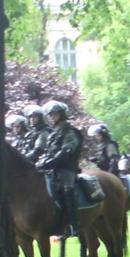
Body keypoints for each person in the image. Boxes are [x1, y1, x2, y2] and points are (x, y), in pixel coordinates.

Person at [36, 100, 83, 238]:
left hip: (66, 169)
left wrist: (47, 163)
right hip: (51, 169)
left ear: (62, 114)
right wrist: (41, 163)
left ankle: (73, 225)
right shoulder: (53, 133)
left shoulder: (70, 132)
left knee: (66, 189)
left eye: (54, 114)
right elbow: (48, 152)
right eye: (50, 114)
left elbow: (64, 154)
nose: (52, 117)